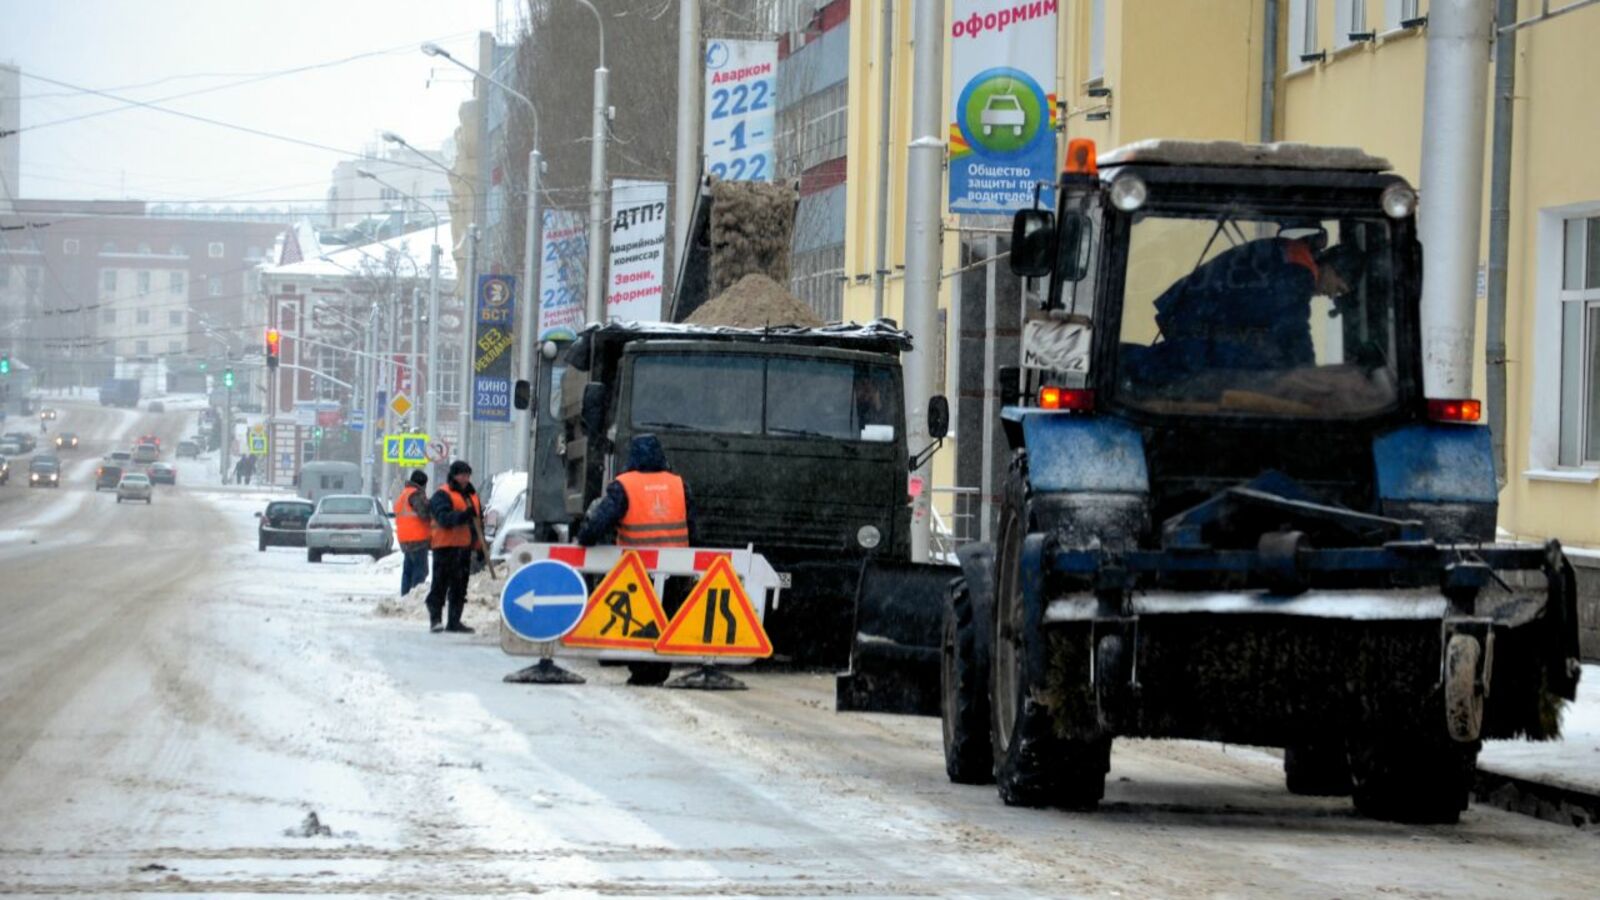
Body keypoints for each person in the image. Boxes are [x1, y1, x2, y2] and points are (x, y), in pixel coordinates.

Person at [1129, 234, 1364, 386]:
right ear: (1333, 267)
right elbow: (1293, 329)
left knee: (1163, 369)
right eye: (1338, 288)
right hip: (1203, 321)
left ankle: (1125, 365)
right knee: (1169, 372)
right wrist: (1311, 378)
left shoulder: (1290, 253)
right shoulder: (1299, 271)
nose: (1332, 295)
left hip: (1196, 311)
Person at [577, 434, 697, 548]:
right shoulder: (679, 485)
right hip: (676, 561)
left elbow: (600, 521)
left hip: (634, 560)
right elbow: (693, 529)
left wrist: (585, 537)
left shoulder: (624, 486)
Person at [424, 460, 483, 634]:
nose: (465, 479)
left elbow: (477, 525)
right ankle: (435, 619)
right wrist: (463, 516)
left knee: (460, 587)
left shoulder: (472, 495)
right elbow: (444, 518)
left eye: (467, 475)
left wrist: (479, 546)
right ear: (453, 475)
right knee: (440, 585)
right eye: (461, 475)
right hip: (445, 547)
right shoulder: (442, 494)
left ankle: (454, 622)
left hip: (463, 548)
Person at [394, 469, 432, 597]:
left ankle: (405, 596)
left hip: (405, 539)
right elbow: (424, 513)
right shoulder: (416, 495)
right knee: (420, 571)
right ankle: (414, 597)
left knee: (408, 571)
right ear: (423, 484)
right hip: (417, 539)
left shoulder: (404, 494)